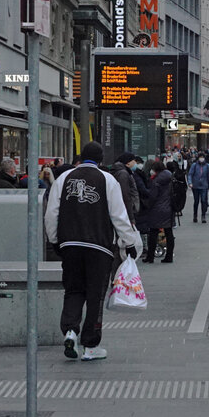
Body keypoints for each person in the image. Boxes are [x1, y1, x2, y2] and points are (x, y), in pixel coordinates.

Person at [44, 141, 142, 362]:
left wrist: (55, 240)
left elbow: (51, 214)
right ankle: (90, 345)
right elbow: (119, 215)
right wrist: (128, 242)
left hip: (69, 245)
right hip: (99, 247)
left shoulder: (63, 179)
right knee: (95, 295)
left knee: (73, 290)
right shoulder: (108, 180)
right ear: (100, 160)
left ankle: (70, 330)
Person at [136, 159, 174, 264]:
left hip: (157, 209)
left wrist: (147, 204)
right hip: (168, 208)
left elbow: (153, 196)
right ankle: (169, 256)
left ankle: (150, 256)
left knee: (153, 233)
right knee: (169, 232)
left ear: (156, 170)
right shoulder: (169, 176)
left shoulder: (156, 181)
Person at [111, 153, 142, 226]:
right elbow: (126, 195)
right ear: (128, 163)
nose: (135, 163)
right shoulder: (123, 174)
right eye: (134, 161)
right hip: (126, 212)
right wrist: (131, 217)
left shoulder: (124, 172)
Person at [188, 154, 209, 223]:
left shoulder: (207, 166)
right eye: (200, 157)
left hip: (204, 186)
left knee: (203, 201)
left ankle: (203, 216)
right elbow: (190, 174)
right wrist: (190, 182)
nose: (201, 159)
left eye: (202, 157)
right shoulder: (194, 165)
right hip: (195, 186)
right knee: (196, 201)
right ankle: (195, 215)